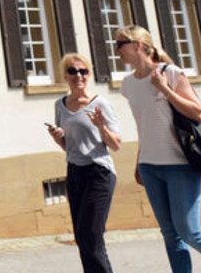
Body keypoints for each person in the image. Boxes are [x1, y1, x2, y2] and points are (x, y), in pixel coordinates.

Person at [116, 25, 201, 273]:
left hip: (180, 166)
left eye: (119, 44)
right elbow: (144, 126)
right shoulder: (127, 85)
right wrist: (138, 162)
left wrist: (165, 90)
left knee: (191, 232)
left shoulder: (171, 73)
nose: (116, 51)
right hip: (149, 166)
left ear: (138, 46)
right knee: (170, 235)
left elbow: (197, 113)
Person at [46, 53, 121, 273]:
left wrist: (101, 127)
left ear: (88, 75)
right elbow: (69, 146)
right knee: (82, 236)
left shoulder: (100, 104)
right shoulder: (60, 105)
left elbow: (116, 144)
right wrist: (57, 137)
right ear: (65, 76)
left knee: (91, 234)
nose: (78, 75)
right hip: (75, 172)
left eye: (83, 71)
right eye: (72, 71)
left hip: (99, 172)